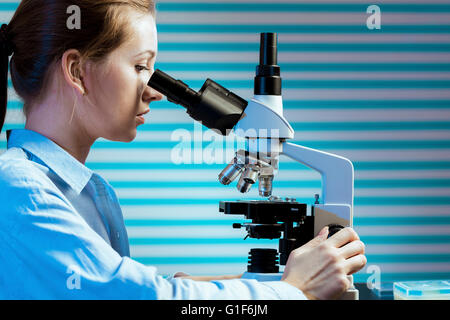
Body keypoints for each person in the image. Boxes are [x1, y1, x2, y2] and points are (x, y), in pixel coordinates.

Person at [0, 0, 366, 300]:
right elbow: (140, 298)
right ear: (77, 71)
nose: (155, 91)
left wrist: (256, 284)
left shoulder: (92, 194)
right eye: (140, 66)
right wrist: (293, 290)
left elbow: (119, 289)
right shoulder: (20, 189)